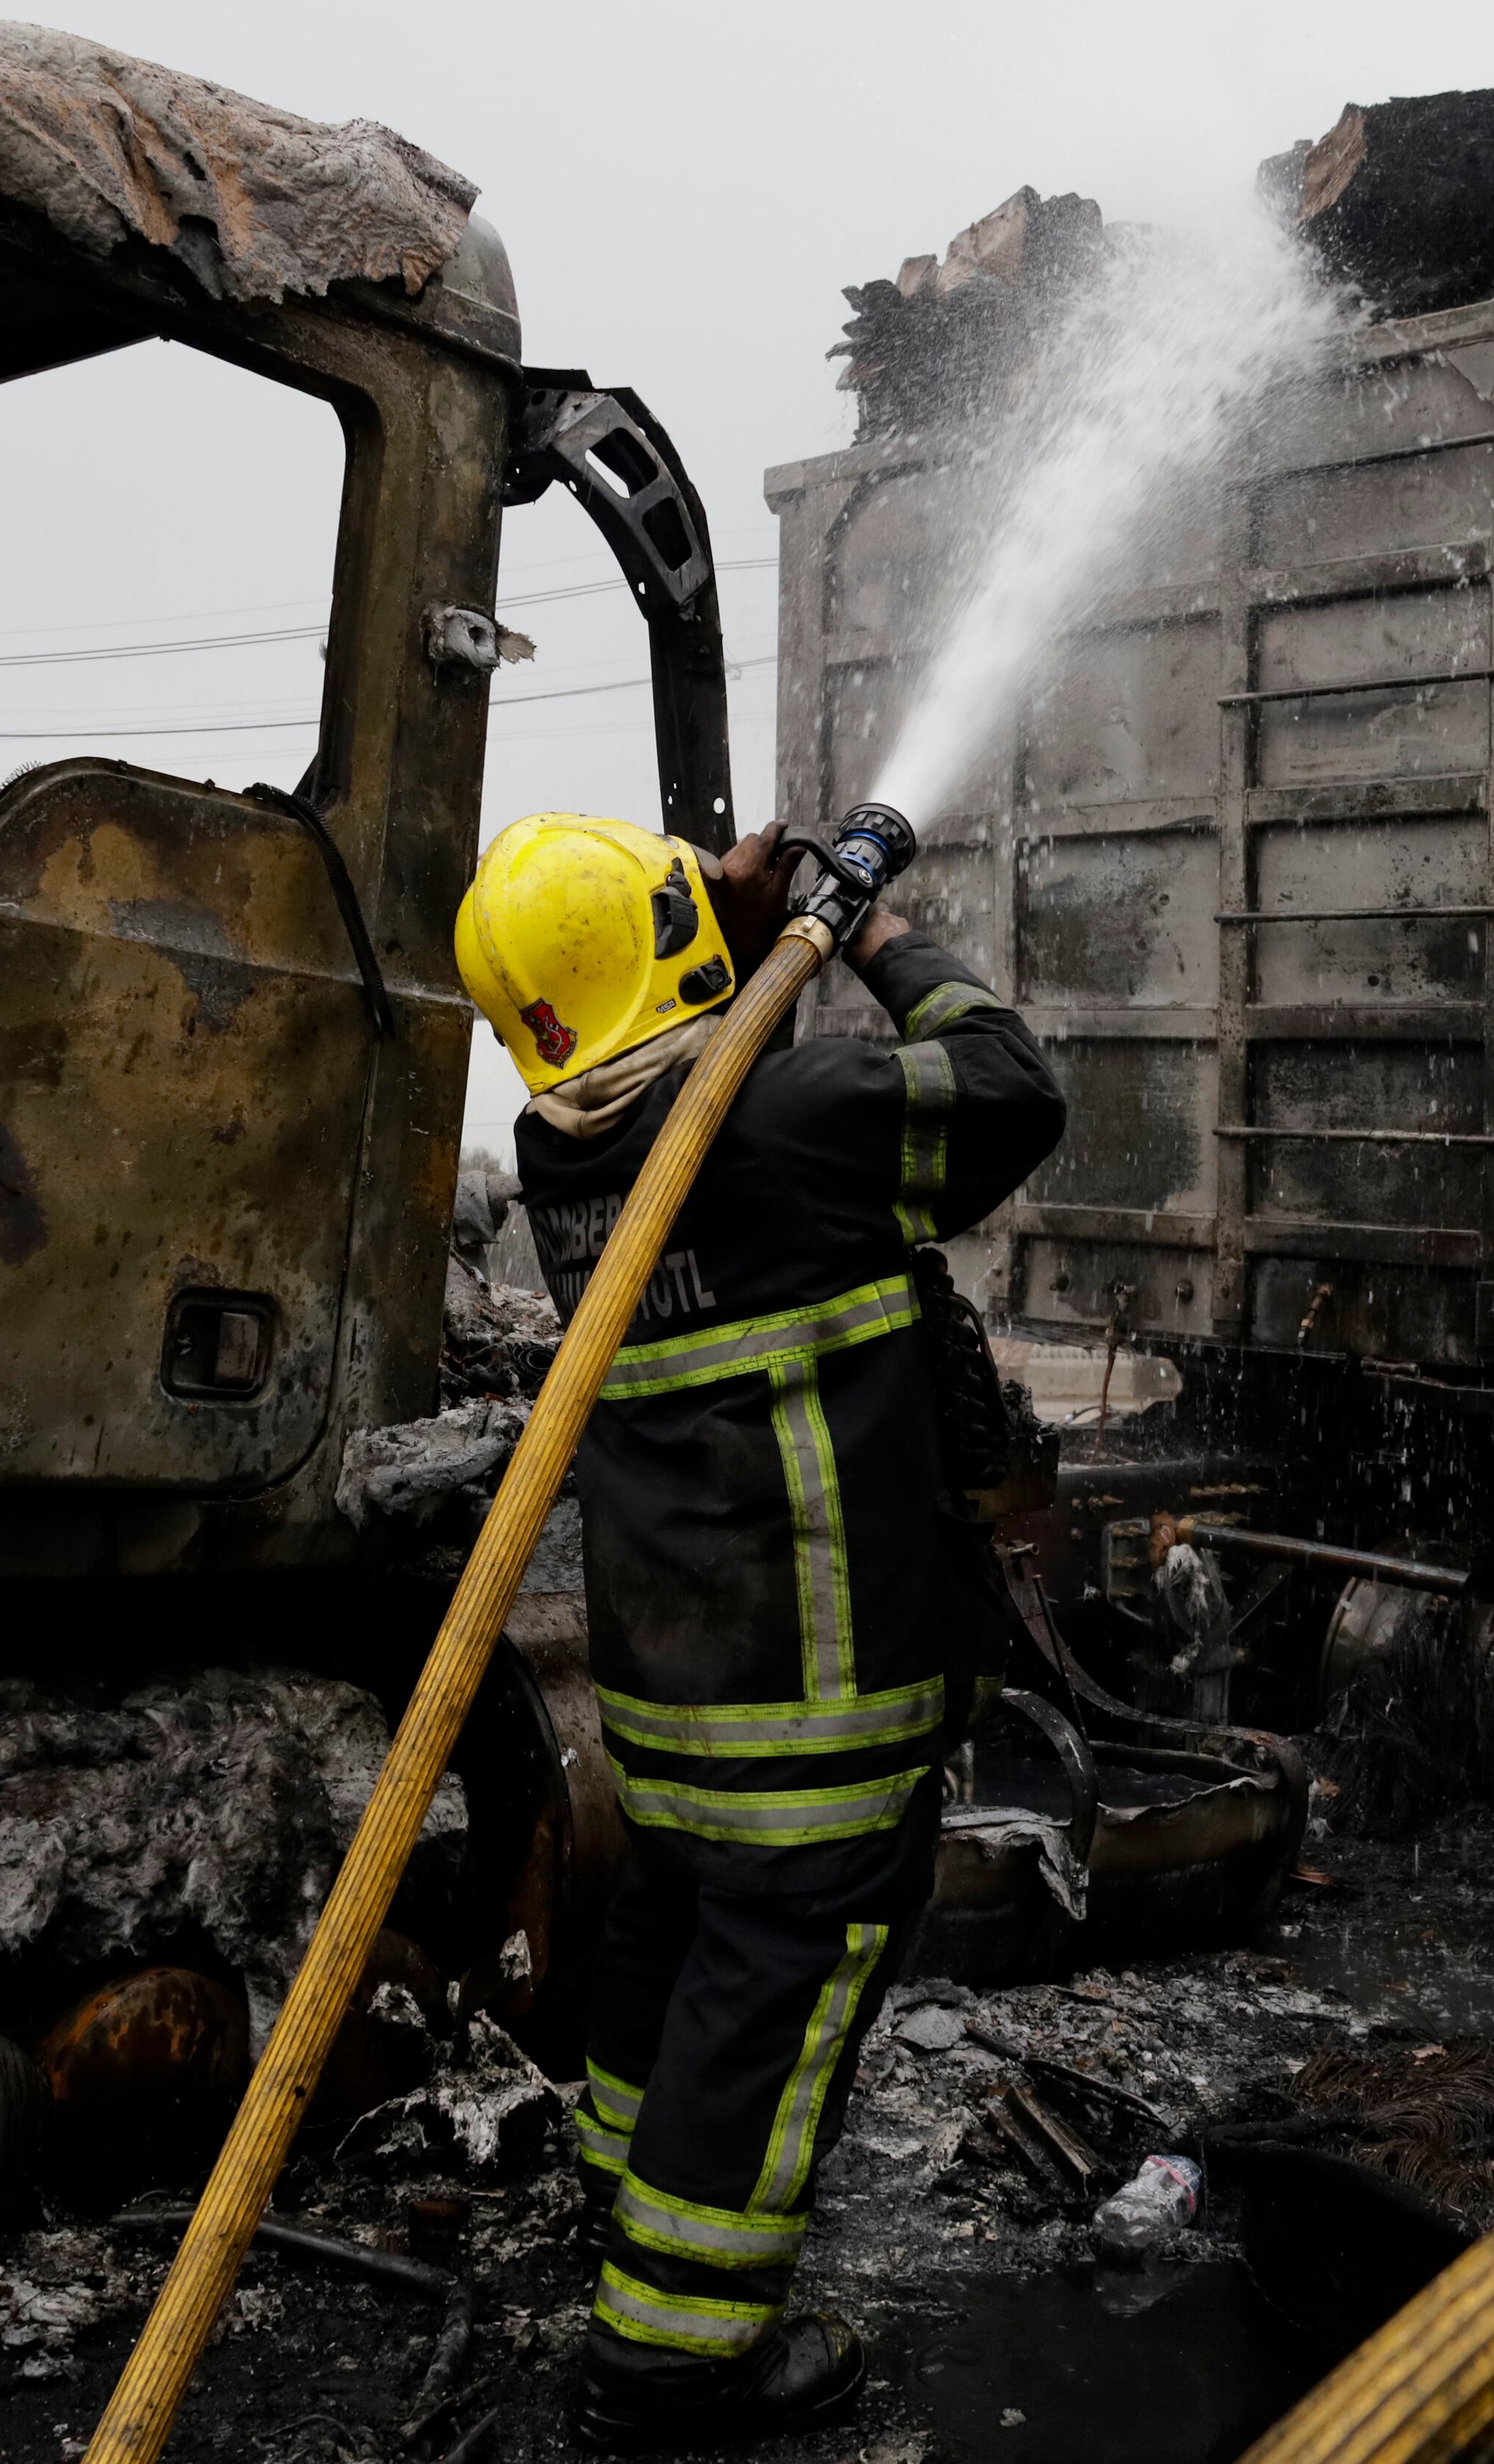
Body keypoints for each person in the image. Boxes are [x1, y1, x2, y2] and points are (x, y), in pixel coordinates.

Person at [453, 810, 1066, 2451]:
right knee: (777, 1974)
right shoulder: (789, 1123)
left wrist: (727, 943)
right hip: (820, 1683)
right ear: (659, 943)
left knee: (677, 1932)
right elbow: (1009, 1086)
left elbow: (705, 1090)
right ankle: (675, 2352)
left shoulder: (567, 1155)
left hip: (678, 1693)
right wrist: (864, 929)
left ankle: (627, 2202)